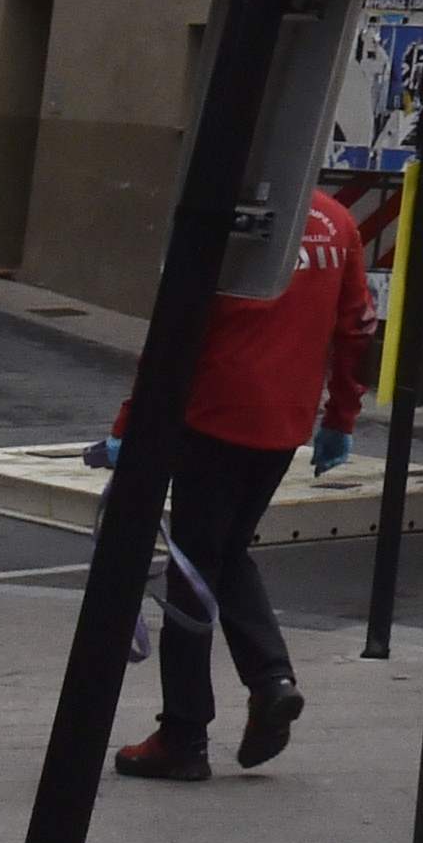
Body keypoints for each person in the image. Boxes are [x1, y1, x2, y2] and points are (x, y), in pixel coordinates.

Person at [104, 184, 370, 783]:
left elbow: (176, 334)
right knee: (225, 552)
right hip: (285, 421)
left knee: (193, 574)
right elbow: (356, 329)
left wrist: (129, 426)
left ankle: (183, 735)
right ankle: (271, 680)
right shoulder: (336, 222)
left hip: (215, 416)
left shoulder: (230, 218)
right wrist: (340, 419)